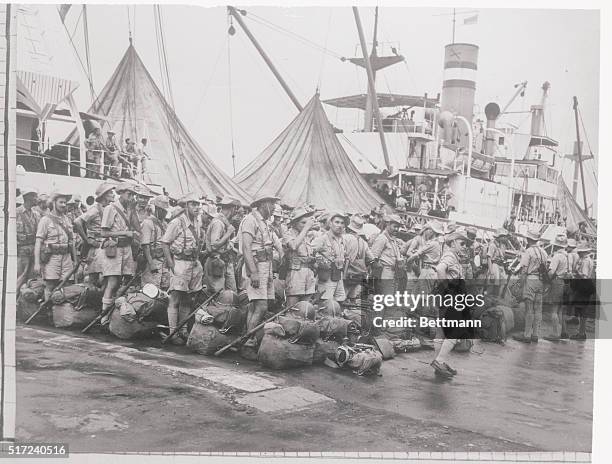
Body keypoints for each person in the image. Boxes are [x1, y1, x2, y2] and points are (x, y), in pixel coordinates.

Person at [161, 192, 204, 345]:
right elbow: (165, 243)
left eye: (198, 204)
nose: (197, 207)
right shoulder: (177, 222)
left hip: (192, 263)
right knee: (175, 298)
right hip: (179, 262)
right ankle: (173, 332)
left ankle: (183, 330)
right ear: (186, 206)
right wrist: (171, 264)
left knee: (187, 299)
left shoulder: (197, 223)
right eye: (193, 204)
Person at [241, 194, 279, 347]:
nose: (274, 207)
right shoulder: (250, 220)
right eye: (272, 203)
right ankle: (249, 340)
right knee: (262, 306)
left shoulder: (264, 222)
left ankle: (247, 339)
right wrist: (253, 271)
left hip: (265, 266)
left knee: (255, 306)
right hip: (256, 266)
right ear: (263, 204)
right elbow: (246, 248)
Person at [431, 229, 469, 378]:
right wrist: (446, 289)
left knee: (441, 332)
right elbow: (440, 269)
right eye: (462, 243)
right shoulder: (450, 255)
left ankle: (438, 362)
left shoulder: (453, 256)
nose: (465, 246)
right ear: (452, 243)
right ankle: (440, 360)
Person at [99, 182, 139, 323]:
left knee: (126, 280)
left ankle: (116, 312)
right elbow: (104, 232)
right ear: (121, 193)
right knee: (113, 282)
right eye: (129, 194)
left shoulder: (129, 209)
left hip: (126, 248)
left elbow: (136, 227)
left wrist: (133, 210)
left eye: (133, 195)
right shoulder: (110, 208)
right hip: (114, 248)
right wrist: (125, 232)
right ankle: (104, 317)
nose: (131, 197)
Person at [34, 191, 76, 299]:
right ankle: (48, 311)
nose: (63, 205)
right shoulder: (45, 220)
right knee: (50, 285)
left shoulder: (67, 219)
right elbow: (38, 242)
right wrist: (37, 263)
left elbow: (71, 242)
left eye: (65, 203)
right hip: (51, 257)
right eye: (61, 202)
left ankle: (62, 312)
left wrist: (75, 260)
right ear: (53, 203)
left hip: (66, 257)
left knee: (67, 285)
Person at [74, 183, 115, 288]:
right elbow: (78, 222)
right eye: (110, 192)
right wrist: (87, 239)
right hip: (97, 247)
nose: (113, 194)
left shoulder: (109, 208)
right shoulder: (95, 209)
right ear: (104, 195)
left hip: (107, 246)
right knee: (93, 278)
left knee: (108, 277)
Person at [512, 230, 549, 343]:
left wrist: (521, 285)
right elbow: (546, 268)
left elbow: (524, 270)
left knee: (529, 309)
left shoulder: (528, 252)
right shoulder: (544, 252)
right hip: (540, 281)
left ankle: (527, 335)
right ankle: (535, 335)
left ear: (528, 239)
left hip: (531, 280)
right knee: (538, 309)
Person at [282, 207, 317, 307]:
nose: (306, 225)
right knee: (293, 308)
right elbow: (293, 246)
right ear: (294, 223)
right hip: (295, 273)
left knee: (306, 308)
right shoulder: (288, 234)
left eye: (307, 222)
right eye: (303, 223)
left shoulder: (307, 236)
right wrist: (306, 228)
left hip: (308, 273)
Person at [204, 196, 240, 293]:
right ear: (232, 209)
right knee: (217, 295)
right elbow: (214, 245)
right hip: (216, 262)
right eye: (235, 209)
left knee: (232, 294)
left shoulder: (224, 222)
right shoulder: (218, 223)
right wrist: (229, 233)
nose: (236, 212)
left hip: (225, 261)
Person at [312, 212, 348, 303]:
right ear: (330, 223)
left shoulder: (342, 239)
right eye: (337, 222)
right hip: (326, 276)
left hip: (338, 275)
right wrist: (320, 262)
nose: (339, 225)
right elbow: (310, 252)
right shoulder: (323, 238)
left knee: (340, 300)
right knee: (325, 303)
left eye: (342, 223)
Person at [141, 195, 170, 290]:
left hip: (164, 259)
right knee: (151, 288)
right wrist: (151, 263)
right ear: (157, 209)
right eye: (162, 210)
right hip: (153, 258)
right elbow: (145, 245)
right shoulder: (148, 223)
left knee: (164, 287)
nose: (164, 213)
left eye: (165, 211)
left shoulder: (165, 224)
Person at [544, 235, 570, 341]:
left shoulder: (557, 256)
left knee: (554, 310)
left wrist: (546, 280)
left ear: (556, 245)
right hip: (564, 283)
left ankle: (555, 334)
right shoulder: (566, 256)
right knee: (559, 310)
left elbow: (551, 272)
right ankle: (561, 332)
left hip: (557, 282)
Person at [343, 215, 373, 307]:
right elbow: (370, 258)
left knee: (342, 298)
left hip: (346, 273)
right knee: (353, 299)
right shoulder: (363, 242)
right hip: (359, 274)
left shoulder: (345, 238)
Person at [16, 187, 40, 295]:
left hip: (34, 249)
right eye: (34, 196)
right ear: (28, 197)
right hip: (21, 250)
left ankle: (26, 301)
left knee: (32, 277)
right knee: (21, 276)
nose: (36, 198)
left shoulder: (36, 214)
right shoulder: (16, 213)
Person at [570, 243, 595, 340]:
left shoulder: (585, 261)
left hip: (583, 286)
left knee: (581, 311)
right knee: (583, 311)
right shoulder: (590, 260)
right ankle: (582, 332)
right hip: (588, 286)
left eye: (580, 252)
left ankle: (581, 333)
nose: (579, 254)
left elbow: (584, 275)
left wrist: (576, 272)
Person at [486, 229, 509, 298]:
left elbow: (503, 255)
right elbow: (489, 258)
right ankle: (488, 301)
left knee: (500, 285)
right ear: (499, 237)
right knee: (492, 285)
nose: (505, 238)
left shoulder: (502, 245)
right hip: (494, 266)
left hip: (500, 266)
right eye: (503, 236)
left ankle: (496, 300)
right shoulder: (493, 245)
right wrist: (491, 272)